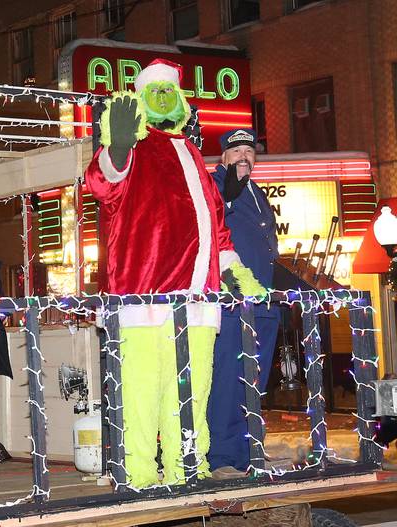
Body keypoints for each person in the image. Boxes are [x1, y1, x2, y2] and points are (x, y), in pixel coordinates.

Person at [84, 59, 264, 488]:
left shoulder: (191, 153)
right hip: (144, 295)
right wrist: (120, 147)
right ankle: (139, 474)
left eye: (170, 92)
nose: (164, 99)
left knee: (192, 394)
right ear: (143, 101)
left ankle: (187, 468)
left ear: (180, 102)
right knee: (142, 393)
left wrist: (234, 273)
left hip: (199, 303)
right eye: (155, 92)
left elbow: (215, 222)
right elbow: (102, 184)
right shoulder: (136, 148)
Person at [206, 129, 280, 479]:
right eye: (235, 150)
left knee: (254, 382)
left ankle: (249, 453)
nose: (244, 156)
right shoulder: (216, 187)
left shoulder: (257, 193)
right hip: (234, 303)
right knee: (229, 379)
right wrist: (227, 193)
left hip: (263, 303)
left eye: (249, 150)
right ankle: (221, 458)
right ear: (223, 158)